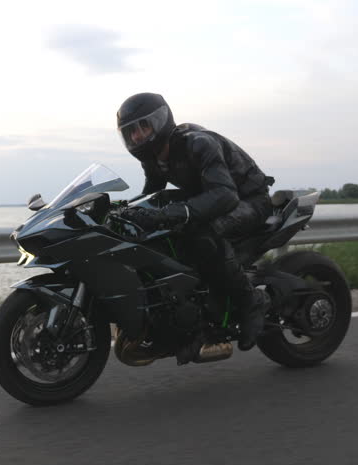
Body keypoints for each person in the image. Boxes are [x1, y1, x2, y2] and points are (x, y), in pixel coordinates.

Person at [116, 92, 273, 362]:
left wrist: (181, 211)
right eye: (131, 131)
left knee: (204, 234)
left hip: (248, 198)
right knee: (164, 233)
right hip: (209, 197)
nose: (138, 136)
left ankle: (251, 301)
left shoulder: (198, 144)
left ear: (160, 120)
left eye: (143, 126)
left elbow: (225, 195)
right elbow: (152, 194)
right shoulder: (152, 158)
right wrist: (126, 212)